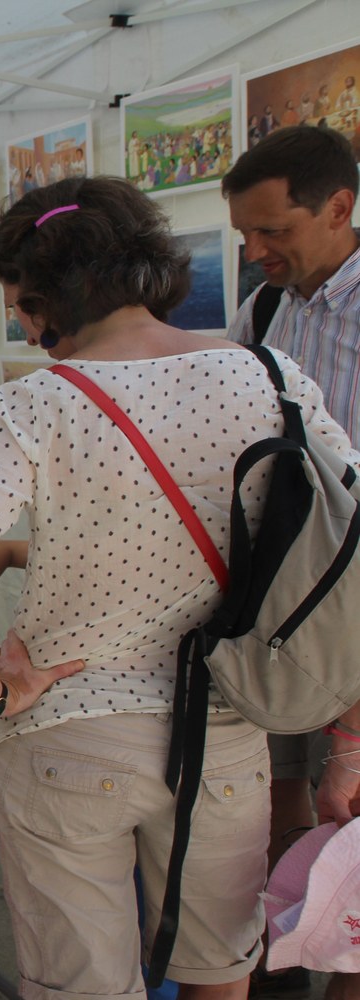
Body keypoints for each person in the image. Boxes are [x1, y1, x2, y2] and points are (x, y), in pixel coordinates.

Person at [0, 174, 360, 1000]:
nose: (27, 330)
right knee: (220, 977)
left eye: (24, 307)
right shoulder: (270, 376)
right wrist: (351, 741)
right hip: (223, 733)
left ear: (52, 296)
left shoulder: (37, 404)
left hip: (65, 737)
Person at [223, 124, 360, 1000]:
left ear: (339, 207)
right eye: (245, 232)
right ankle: (277, 968)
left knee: (355, 830)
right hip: (281, 605)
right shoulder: (265, 310)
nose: (255, 252)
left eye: (273, 230)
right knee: (275, 800)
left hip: (357, 608)